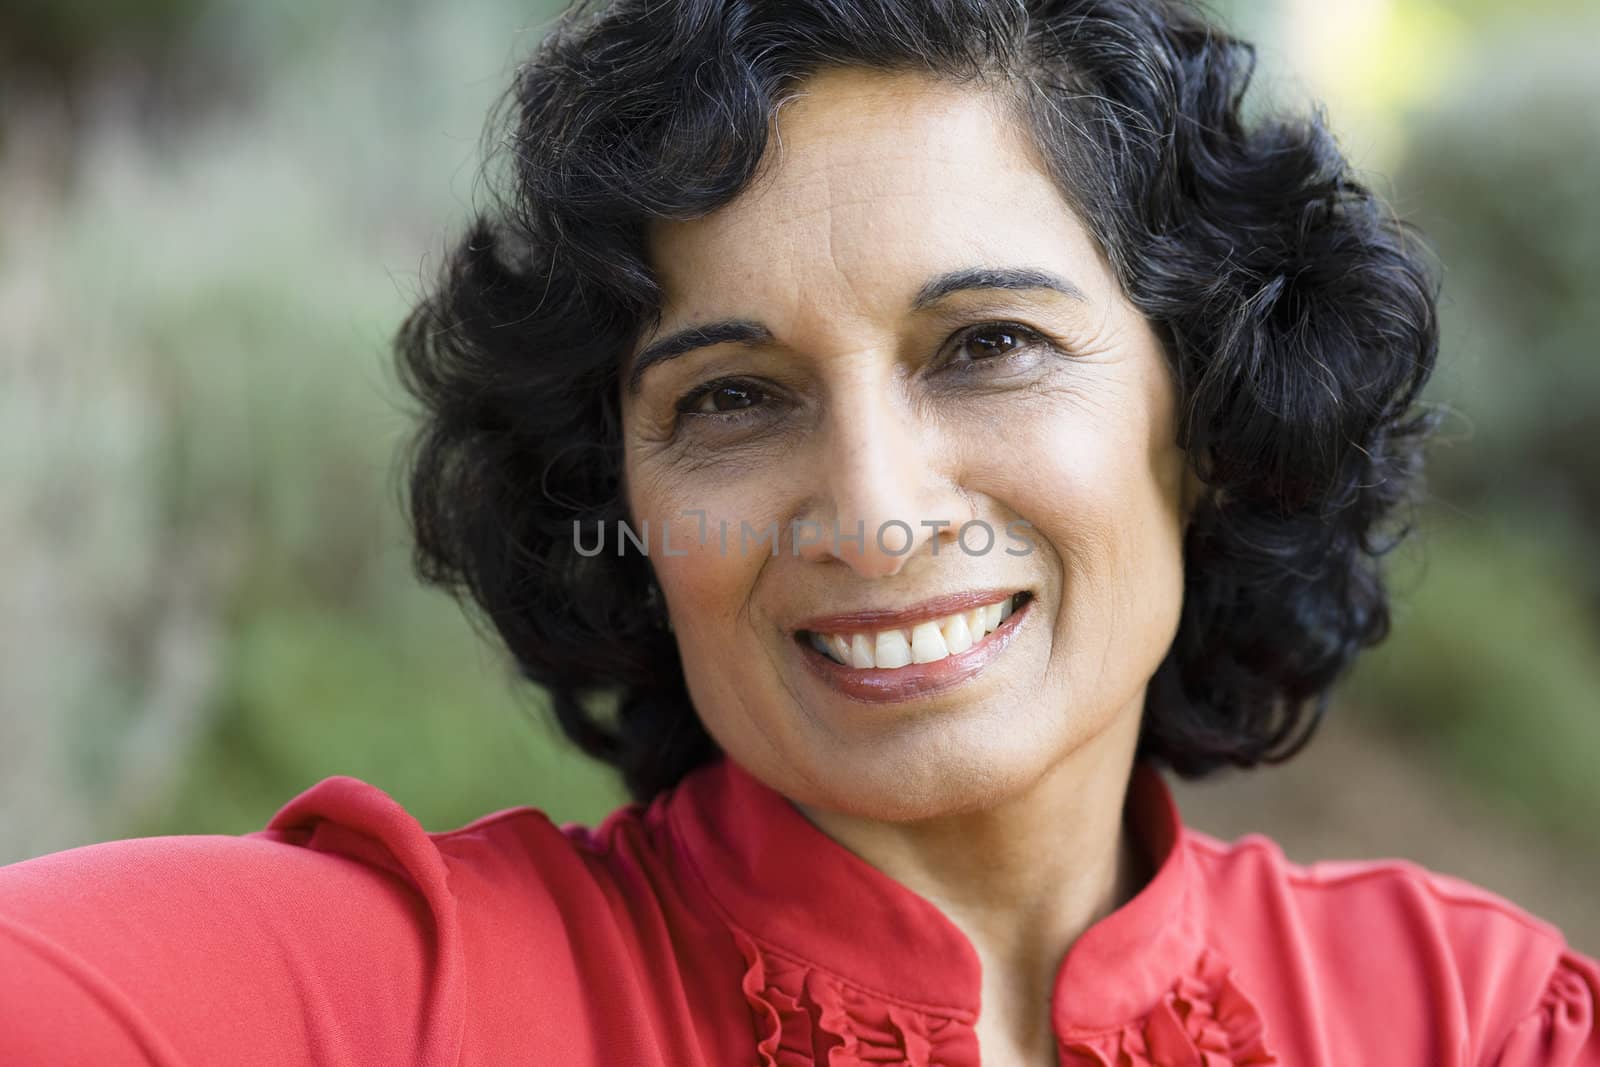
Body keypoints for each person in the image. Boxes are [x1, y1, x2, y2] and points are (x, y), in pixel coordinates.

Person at [2, 0, 1595, 1063]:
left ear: (1208, 419)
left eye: (989, 348)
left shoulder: (1477, 1017)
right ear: (617, 497)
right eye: (731, 400)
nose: (877, 514)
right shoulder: (390, 1000)